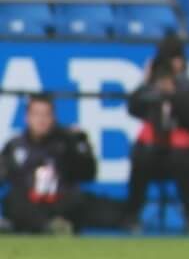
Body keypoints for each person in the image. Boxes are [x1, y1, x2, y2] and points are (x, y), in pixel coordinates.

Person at [122, 34, 189, 232]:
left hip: (183, 153)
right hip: (154, 151)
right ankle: (132, 215)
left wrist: (174, 96)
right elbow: (133, 107)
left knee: (185, 163)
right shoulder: (151, 87)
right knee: (139, 159)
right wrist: (146, 84)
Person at [0, 94, 119, 234]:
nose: (41, 120)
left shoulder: (66, 142)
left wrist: (82, 146)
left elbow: (88, 174)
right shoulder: (15, 145)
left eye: (46, 115)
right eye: (36, 114)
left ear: (53, 117)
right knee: (13, 200)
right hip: (29, 202)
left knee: (80, 199)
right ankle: (47, 226)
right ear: (27, 117)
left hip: (58, 201)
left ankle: (51, 225)